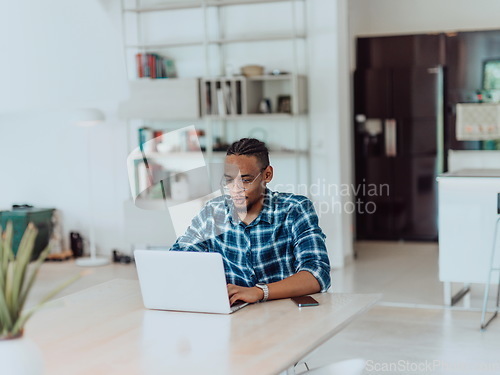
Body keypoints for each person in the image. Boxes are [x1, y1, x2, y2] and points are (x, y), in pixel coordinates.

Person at [170, 138, 331, 305]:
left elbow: (318, 273)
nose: (236, 189)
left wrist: (260, 292)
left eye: (245, 180)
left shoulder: (295, 209)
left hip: (285, 313)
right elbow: (180, 256)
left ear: (267, 175)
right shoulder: (213, 212)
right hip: (234, 315)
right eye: (229, 180)